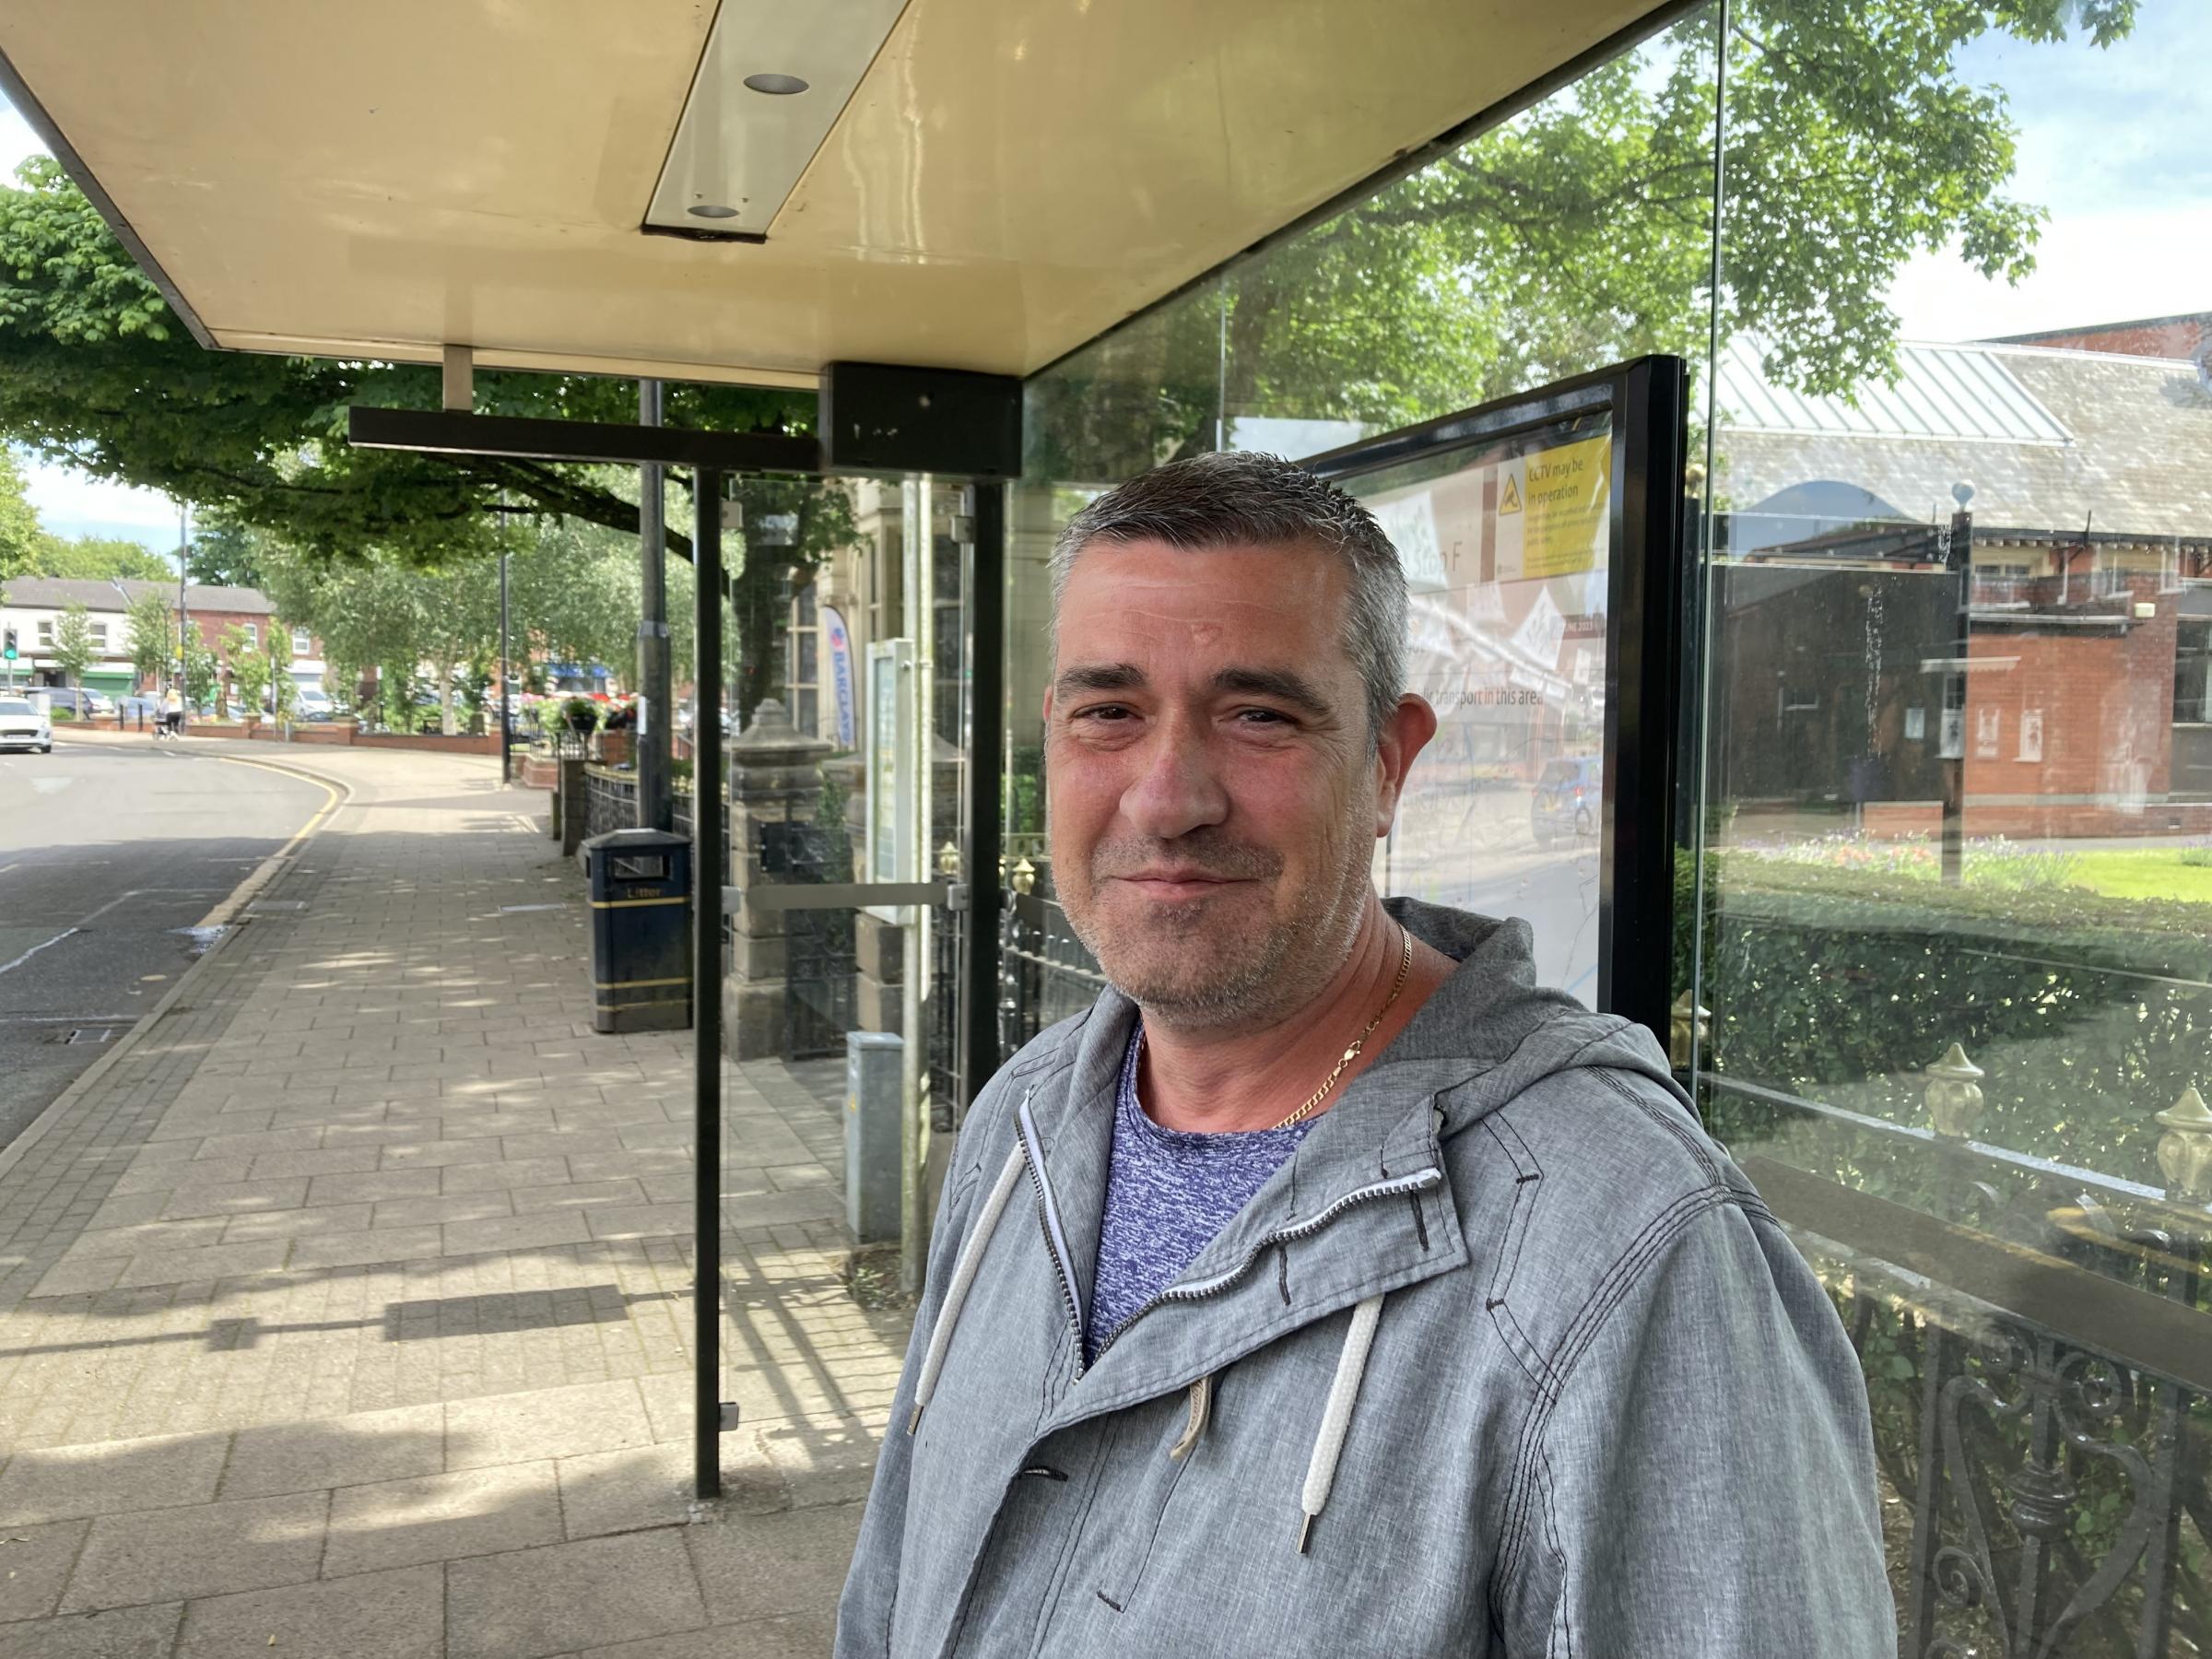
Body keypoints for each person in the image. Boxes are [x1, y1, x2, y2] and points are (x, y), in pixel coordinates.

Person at [837, 452, 1893, 1657]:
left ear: (1389, 762)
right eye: (1109, 711)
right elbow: (892, 1587)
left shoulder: (1625, 1247)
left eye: (1258, 715)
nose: (1168, 795)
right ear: (1053, 739)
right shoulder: (1023, 1121)